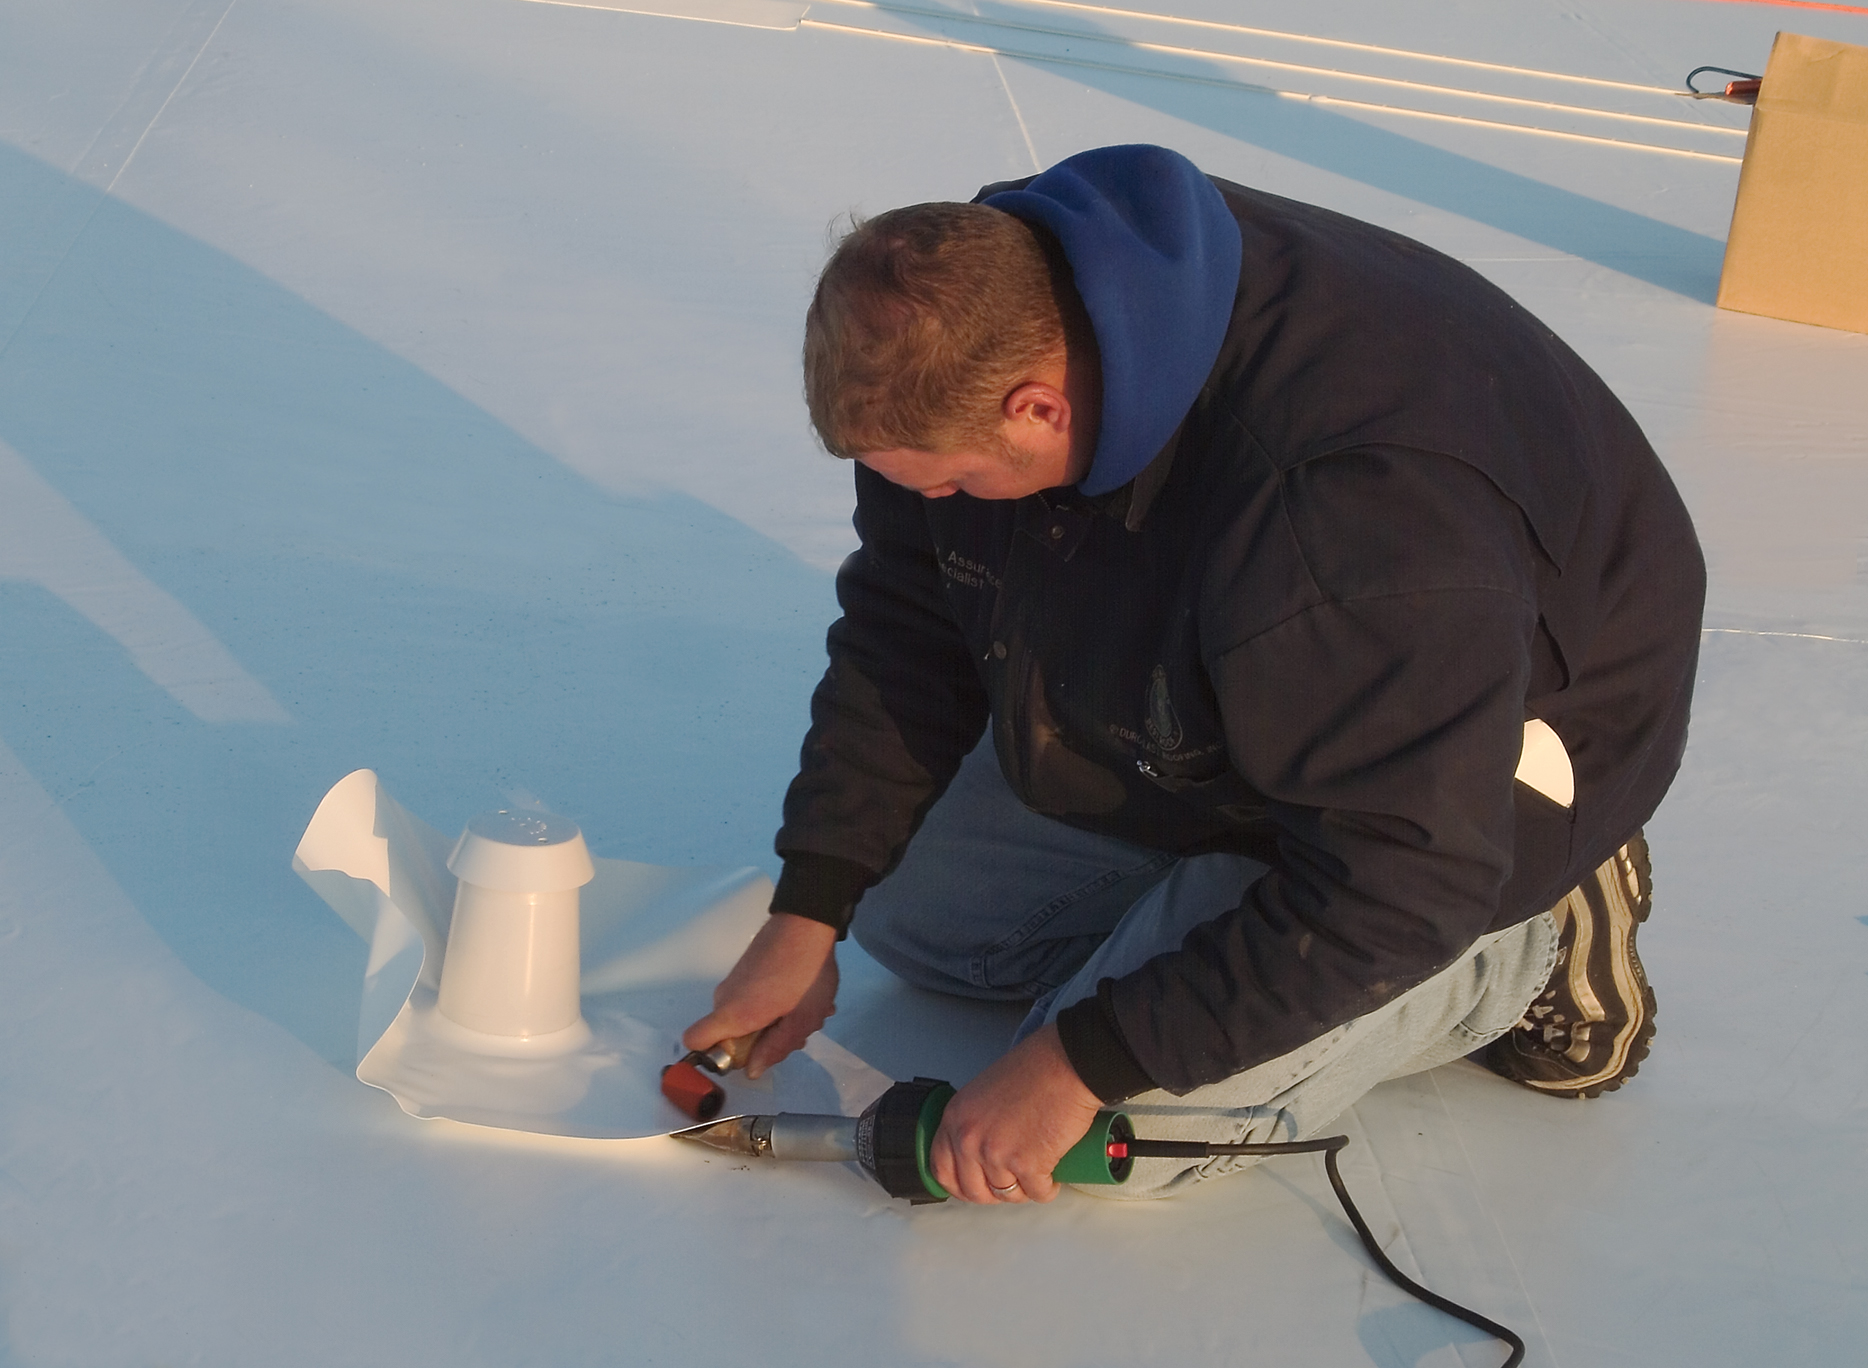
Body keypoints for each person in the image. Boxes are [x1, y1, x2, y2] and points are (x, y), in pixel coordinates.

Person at [683, 144, 1705, 1204]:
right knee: (900, 909)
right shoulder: (962, 323)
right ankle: (1220, 877)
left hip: (1463, 774)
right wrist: (808, 907)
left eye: (946, 481)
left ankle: (1523, 954)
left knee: (1119, 1130)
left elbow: (1400, 880)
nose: (925, 501)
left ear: (1036, 408)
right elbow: (909, 615)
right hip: (1249, 674)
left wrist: (1081, 1060)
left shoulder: (1353, 512)